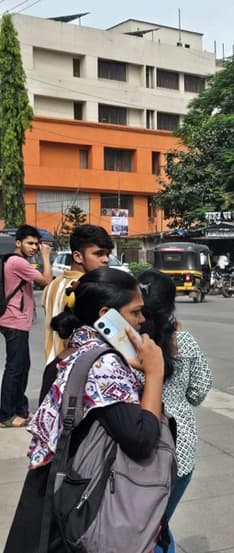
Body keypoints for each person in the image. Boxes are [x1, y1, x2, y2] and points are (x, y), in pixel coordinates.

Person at [5, 268, 164, 552]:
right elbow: (141, 439)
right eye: (136, 312)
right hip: (81, 508)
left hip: (50, 493)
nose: (142, 321)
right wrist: (154, 374)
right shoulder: (105, 366)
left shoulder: (69, 354)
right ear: (107, 314)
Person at [138, 270, 212, 553]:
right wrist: (180, 401)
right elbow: (201, 387)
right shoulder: (186, 342)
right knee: (158, 525)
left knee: (146, 526)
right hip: (179, 446)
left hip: (136, 445)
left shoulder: (128, 343)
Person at [0, 225, 52, 428]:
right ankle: (5, 415)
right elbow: (46, 280)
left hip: (17, 320)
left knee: (23, 365)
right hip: (13, 321)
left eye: (37, 244)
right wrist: (46, 256)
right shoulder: (16, 262)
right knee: (15, 368)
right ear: (18, 243)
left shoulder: (16, 261)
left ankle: (19, 408)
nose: (35, 247)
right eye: (30, 243)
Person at [42, 224, 113, 364]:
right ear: (78, 256)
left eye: (107, 254)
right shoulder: (88, 288)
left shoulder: (52, 286)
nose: (105, 259)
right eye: (98, 253)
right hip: (75, 368)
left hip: (52, 366)